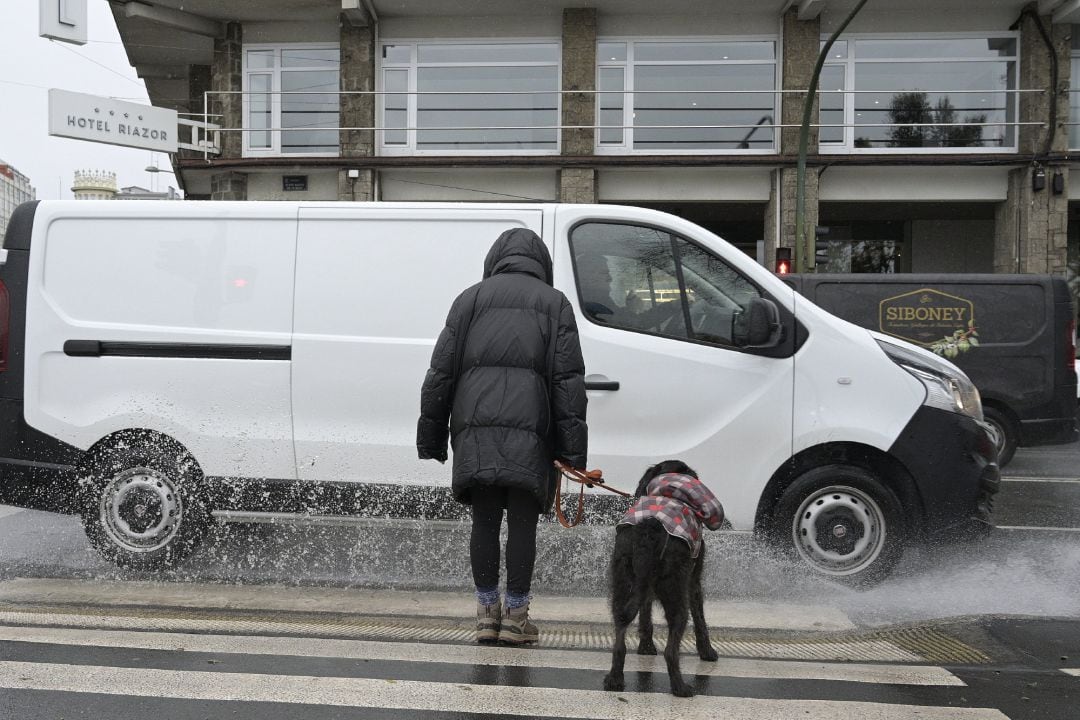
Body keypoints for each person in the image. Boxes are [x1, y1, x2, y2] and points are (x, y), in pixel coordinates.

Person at [417, 227, 588, 645]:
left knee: (485, 521)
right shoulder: (555, 304)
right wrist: (572, 455)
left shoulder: (469, 300)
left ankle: (485, 615)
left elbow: (440, 374)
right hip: (532, 437)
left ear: (495, 260)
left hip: (475, 433)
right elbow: (568, 384)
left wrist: (432, 437)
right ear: (541, 265)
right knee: (523, 525)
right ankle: (516, 616)